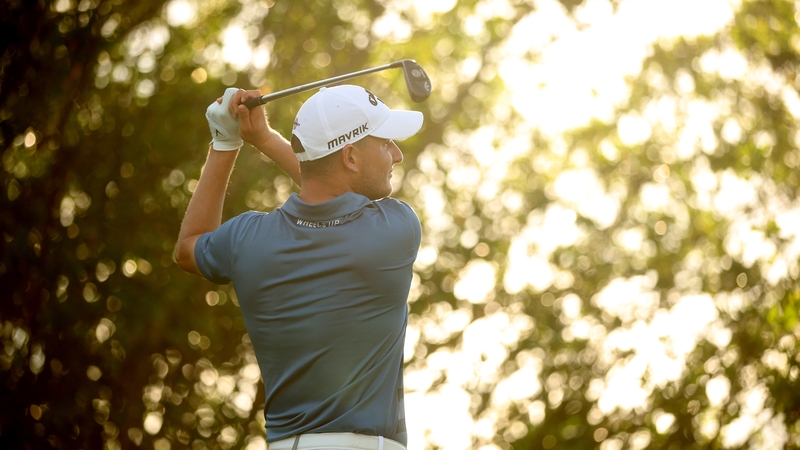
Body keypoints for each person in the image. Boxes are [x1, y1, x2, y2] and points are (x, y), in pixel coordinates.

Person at [175, 85, 423, 450]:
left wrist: (225, 144)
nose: (396, 155)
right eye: (385, 143)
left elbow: (187, 246)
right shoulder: (395, 228)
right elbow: (329, 190)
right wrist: (265, 139)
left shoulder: (247, 239)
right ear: (351, 157)